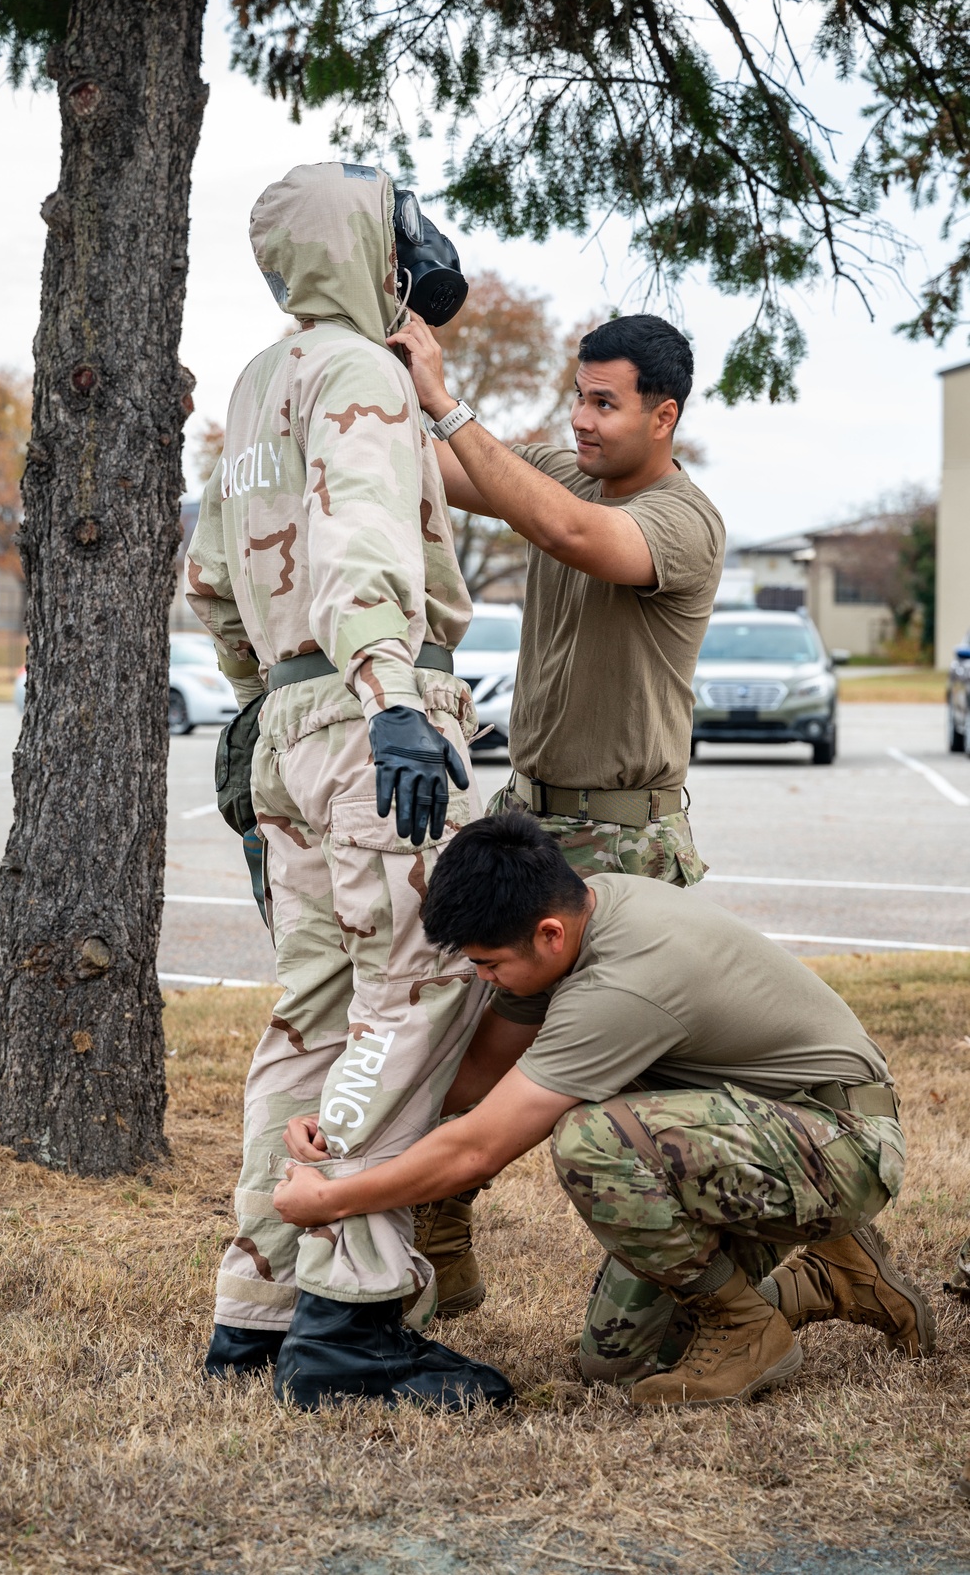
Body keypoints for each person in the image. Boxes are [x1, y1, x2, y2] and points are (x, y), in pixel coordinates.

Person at [185, 161, 512, 1411]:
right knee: (419, 993)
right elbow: (367, 530)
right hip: (381, 713)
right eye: (398, 224)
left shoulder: (261, 381)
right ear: (361, 245)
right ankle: (353, 1321)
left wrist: (276, 697)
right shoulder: (365, 373)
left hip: (288, 717)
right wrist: (386, 701)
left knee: (310, 1018)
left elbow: (215, 579)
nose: (419, 245)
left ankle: (257, 1308)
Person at [273, 814, 935, 1407]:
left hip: (842, 1146)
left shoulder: (621, 982)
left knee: (591, 1139)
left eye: (488, 963)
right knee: (615, 1363)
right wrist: (343, 1122)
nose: (482, 978)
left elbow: (480, 1145)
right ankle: (836, 1273)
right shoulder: (574, 923)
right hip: (759, 1131)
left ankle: (744, 1326)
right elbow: (469, 1079)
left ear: (548, 934)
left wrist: (334, 1200)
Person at [383, 309, 726, 1321]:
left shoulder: (682, 520)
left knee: (609, 1067)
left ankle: (714, 1266)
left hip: (623, 840)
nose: (580, 419)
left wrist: (449, 402)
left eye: (604, 402)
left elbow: (568, 532)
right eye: (575, 395)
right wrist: (369, 368)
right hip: (527, 813)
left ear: (663, 415)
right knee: (480, 1029)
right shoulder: (563, 471)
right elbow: (441, 471)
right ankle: (441, 1221)